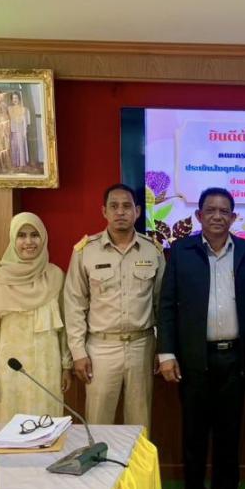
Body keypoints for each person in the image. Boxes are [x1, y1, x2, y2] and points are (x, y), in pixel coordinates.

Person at [158, 187, 245, 489]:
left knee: (229, 436)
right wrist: (167, 353)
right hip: (194, 360)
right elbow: (167, 304)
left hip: (235, 359)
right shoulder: (181, 252)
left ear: (234, 217)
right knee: (194, 436)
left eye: (224, 211)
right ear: (199, 215)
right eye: (211, 210)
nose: (217, 216)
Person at [64, 183, 164, 427]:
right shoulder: (86, 252)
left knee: (140, 424)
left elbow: (161, 303)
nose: (120, 212)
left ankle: (137, 456)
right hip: (100, 348)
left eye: (127, 206)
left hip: (142, 346)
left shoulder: (152, 251)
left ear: (137, 211)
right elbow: (74, 304)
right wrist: (78, 352)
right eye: (114, 206)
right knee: (98, 422)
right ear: (104, 211)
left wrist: (161, 348)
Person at [0, 212, 71, 424]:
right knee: (10, 427)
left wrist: (66, 367)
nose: (29, 242)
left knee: (46, 426)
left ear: (43, 238)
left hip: (47, 369)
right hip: (9, 372)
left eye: (35, 235)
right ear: (12, 239)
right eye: (21, 235)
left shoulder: (55, 276)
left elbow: (64, 327)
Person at [7, 92, 30, 168]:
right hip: (13, 130)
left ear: (19, 99)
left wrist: (24, 132)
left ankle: (22, 164)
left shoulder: (23, 109)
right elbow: (9, 120)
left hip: (20, 130)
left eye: (16, 98)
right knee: (14, 147)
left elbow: (24, 122)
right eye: (13, 98)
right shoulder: (10, 109)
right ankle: (15, 164)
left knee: (21, 147)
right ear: (11, 100)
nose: (15, 100)